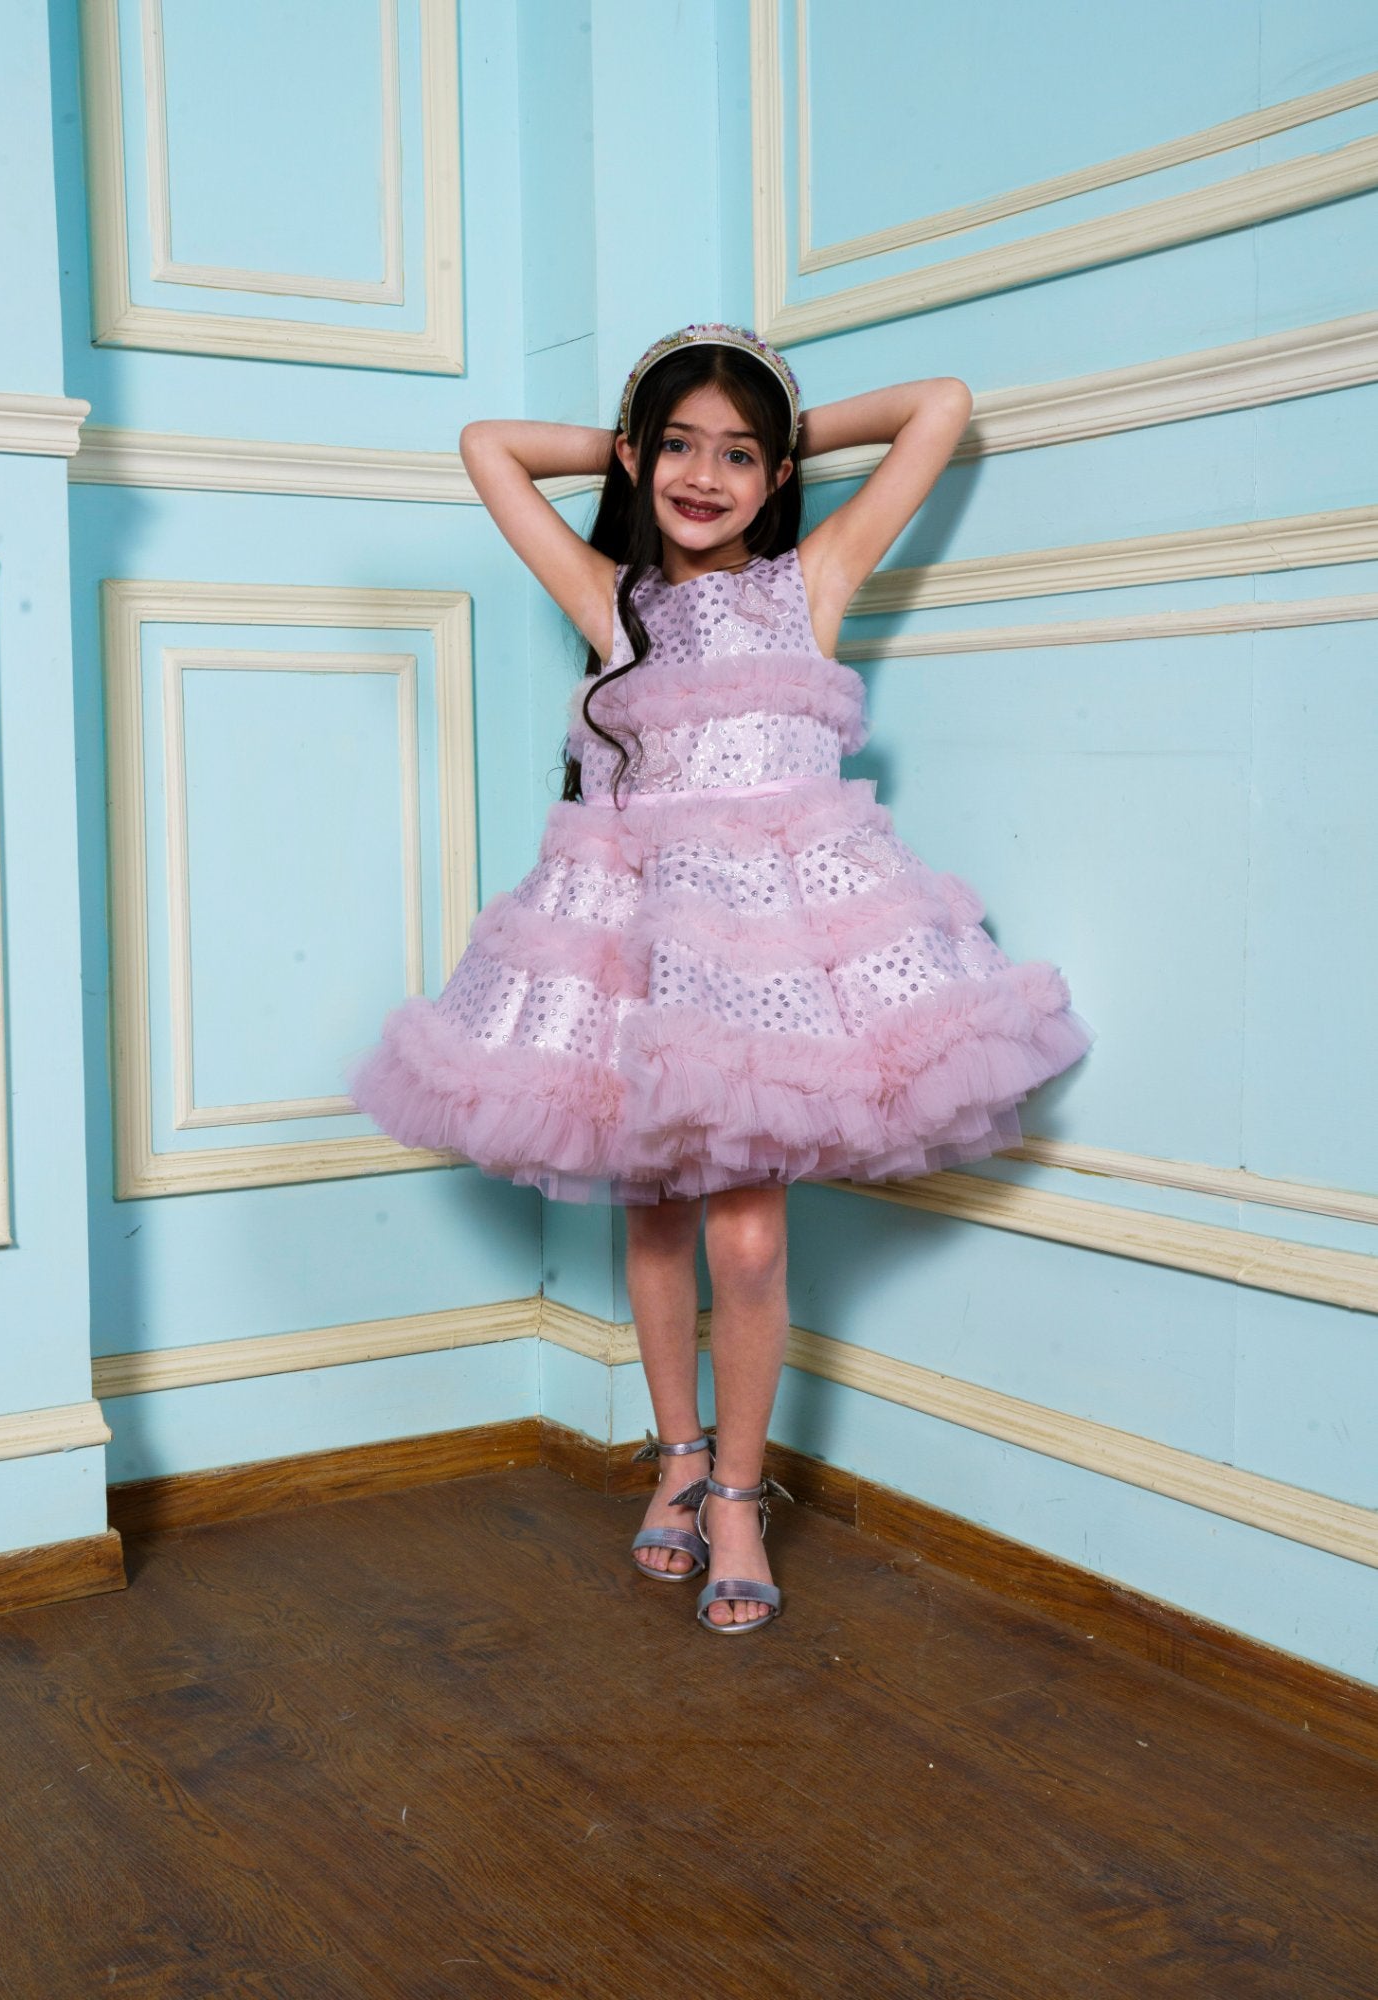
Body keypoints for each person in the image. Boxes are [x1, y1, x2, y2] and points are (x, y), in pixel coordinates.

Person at [346, 323, 1095, 1636]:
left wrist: (782, 424)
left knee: (745, 1239)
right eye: (678, 449)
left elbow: (939, 403)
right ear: (639, 457)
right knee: (652, 1223)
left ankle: (740, 1496)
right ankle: (679, 1460)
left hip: (771, 964)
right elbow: (487, 446)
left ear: (779, 471)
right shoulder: (612, 598)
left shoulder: (814, 577)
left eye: (740, 455)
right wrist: (638, 436)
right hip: (633, 945)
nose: (704, 476)